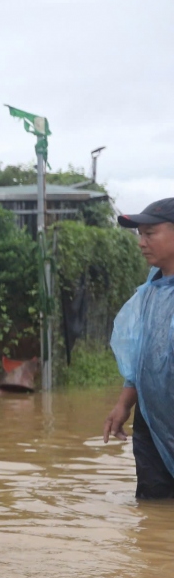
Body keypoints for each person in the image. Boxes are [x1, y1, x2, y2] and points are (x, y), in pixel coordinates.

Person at [103, 198, 174, 499]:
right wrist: (124, 404)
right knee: (153, 509)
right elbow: (142, 355)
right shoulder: (152, 287)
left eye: (150, 233)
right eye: (140, 235)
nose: (141, 243)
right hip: (151, 417)